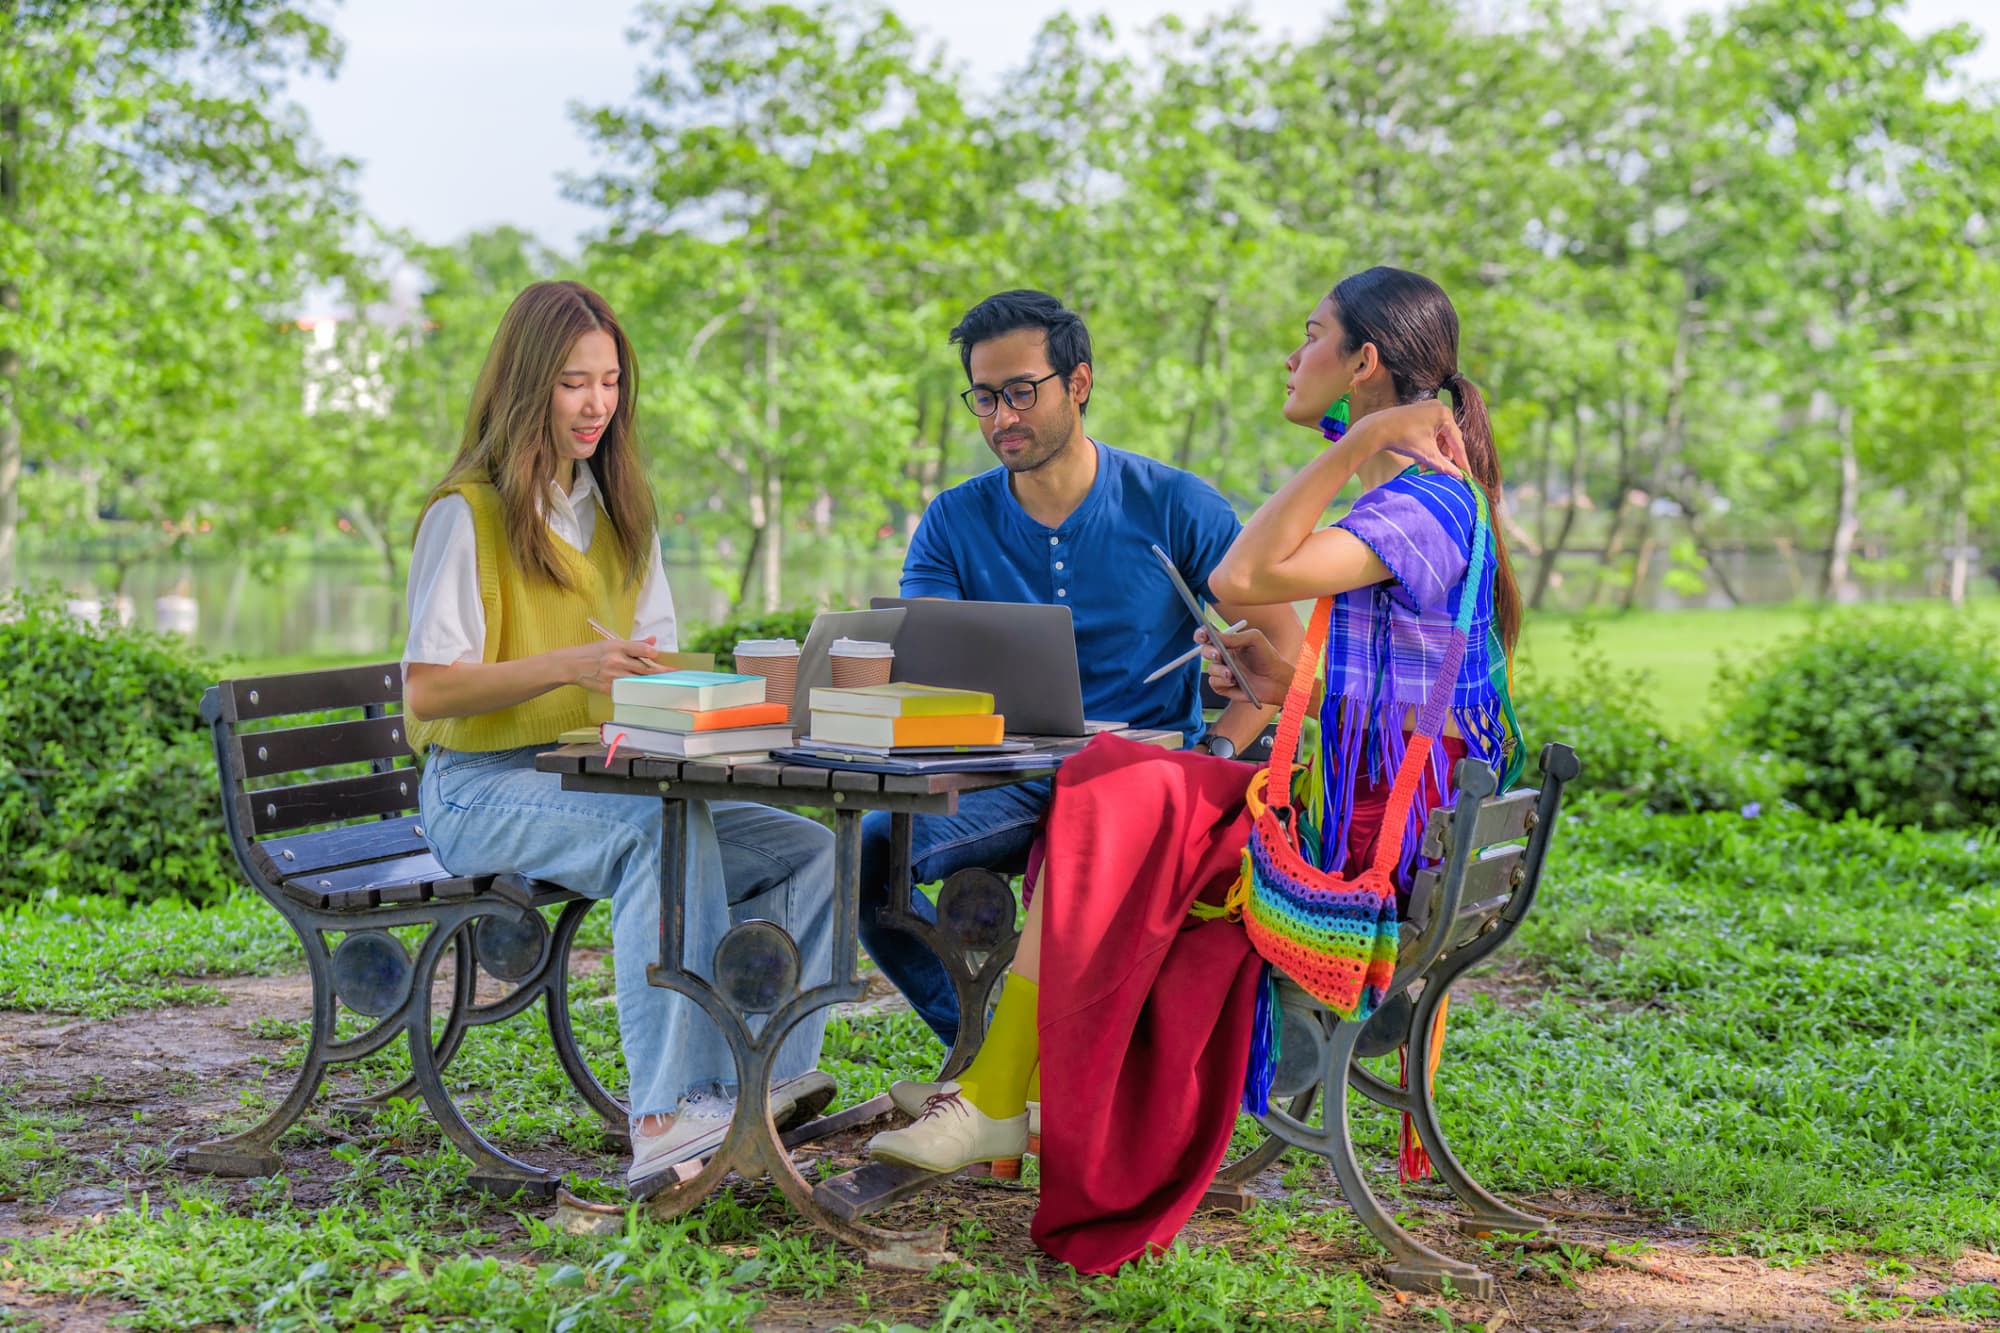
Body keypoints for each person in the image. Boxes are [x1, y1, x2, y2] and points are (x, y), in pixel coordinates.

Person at [867, 267, 1525, 1274]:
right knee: (1107, 786)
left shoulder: (1416, 502)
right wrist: (1272, 673)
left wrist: (1348, 444)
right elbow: (1356, 679)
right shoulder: (1413, 502)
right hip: (1344, 811)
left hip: (1349, 847)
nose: (1290, 354)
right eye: (983, 395)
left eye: (1310, 335)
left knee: (1116, 780)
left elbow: (1240, 577)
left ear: (1363, 362)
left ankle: (1002, 1089)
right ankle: (1000, 1083)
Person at [401, 280, 838, 1194]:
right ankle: (667, 1116)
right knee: (657, 833)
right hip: (477, 784)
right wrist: (570, 666)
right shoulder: (466, 513)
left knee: (810, 848)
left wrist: (739, 702)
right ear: (527, 386)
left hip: (595, 776)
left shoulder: (620, 514)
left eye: (609, 381)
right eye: (572, 383)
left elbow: (657, 663)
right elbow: (432, 688)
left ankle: (767, 1081)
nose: (597, 403)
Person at [859, 289, 1304, 1048]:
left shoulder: (1176, 505)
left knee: (1085, 858)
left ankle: (1050, 1066)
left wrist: (1220, 749)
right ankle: (987, 1050)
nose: (1003, 417)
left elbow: (1278, 653)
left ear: (1080, 383)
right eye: (985, 397)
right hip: (1004, 776)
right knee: (868, 850)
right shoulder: (953, 519)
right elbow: (924, 658)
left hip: (1139, 779)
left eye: (1022, 391)